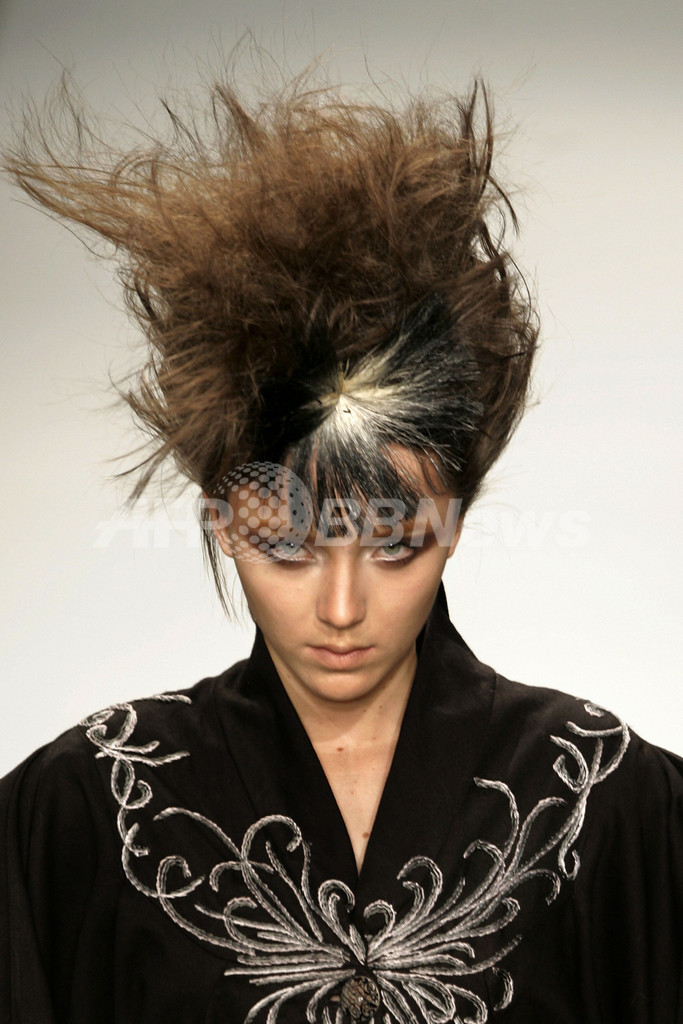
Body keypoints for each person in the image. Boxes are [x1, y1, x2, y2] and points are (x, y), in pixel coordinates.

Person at [1, 70, 681, 1024]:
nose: (341, 609)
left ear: (455, 523)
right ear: (222, 523)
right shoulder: (85, 807)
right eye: (286, 548)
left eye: (395, 545)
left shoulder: (605, 799)